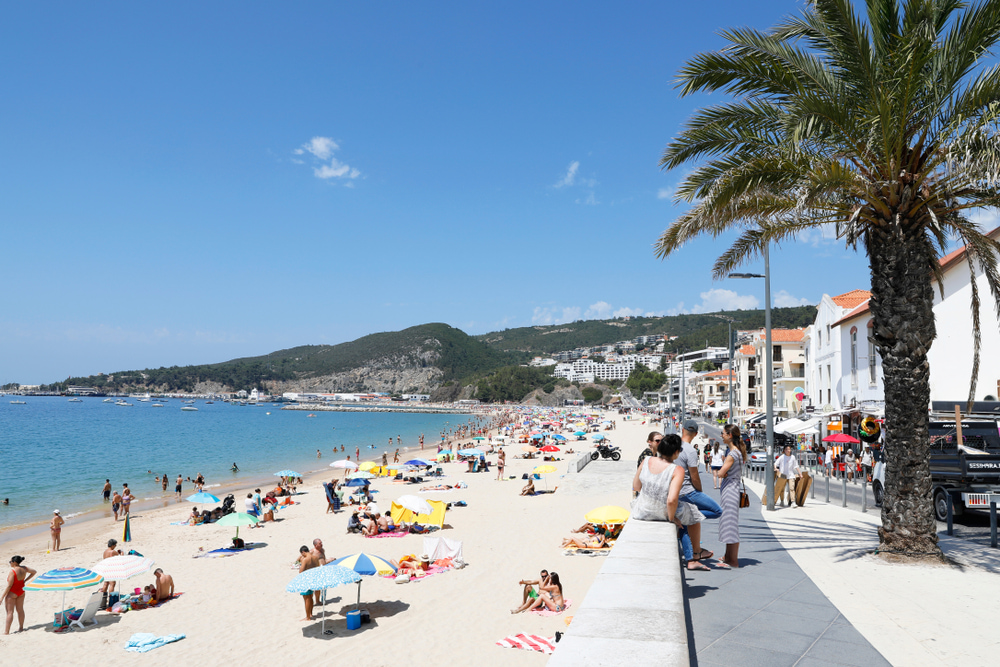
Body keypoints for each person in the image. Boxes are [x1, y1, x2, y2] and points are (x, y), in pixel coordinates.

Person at [631, 433, 709, 571]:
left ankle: (693, 554)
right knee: (693, 512)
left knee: (687, 512)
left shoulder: (647, 460)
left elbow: (636, 486)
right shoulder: (677, 470)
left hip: (641, 510)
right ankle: (696, 552)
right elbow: (671, 500)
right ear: (676, 452)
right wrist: (672, 519)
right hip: (662, 513)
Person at [678, 420, 722, 562]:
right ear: (696, 434)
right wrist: (699, 491)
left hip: (676, 491)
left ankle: (691, 556)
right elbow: (694, 476)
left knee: (686, 524)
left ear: (682, 429)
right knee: (717, 511)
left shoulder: (674, 447)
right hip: (688, 491)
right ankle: (687, 517)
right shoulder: (690, 450)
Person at [717, 424, 746, 569]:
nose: (721, 436)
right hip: (732, 490)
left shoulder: (732, 454)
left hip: (730, 491)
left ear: (730, 435)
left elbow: (720, 473)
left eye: (723, 433)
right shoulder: (737, 452)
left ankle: (733, 560)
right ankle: (728, 557)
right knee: (729, 524)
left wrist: (723, 473)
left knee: (730, 526)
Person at [3, 555, 36, 634]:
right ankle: (21, 628)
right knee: (20, 610)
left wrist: (2, 597)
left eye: (10, 562)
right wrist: (25, 580)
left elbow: (9, 586)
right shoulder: (24, 568)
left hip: (12, 592)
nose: (10, 563)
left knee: (10, 612)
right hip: (21, 591)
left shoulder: (13, 571)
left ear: (14, 562)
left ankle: (6, 632)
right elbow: (34, 572)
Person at [297, 546, 319, 620]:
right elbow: (317, 568)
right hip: (313, 579)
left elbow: (301, 571)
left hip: (306, 580)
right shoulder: (315, 558)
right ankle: (310, 614)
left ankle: (308, 617)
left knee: (306, 598)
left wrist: (300, 566)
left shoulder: (305, 559)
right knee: (310, 597)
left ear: (303, 552)